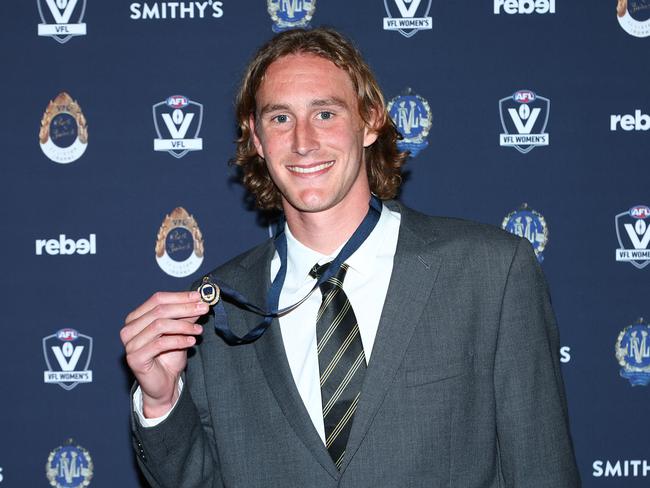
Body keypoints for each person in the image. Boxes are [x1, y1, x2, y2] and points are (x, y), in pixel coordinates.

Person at [120, 28, 581, 487]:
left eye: (325, 113)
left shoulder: (490, 273)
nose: (303, 141)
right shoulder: (217, 309)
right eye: (280, 119)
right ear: (256, 140)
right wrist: (161, 403)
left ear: (371, 121)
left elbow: (541, 470)